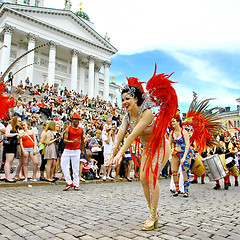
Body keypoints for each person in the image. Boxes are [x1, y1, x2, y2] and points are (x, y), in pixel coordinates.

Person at [106, 68, 178, 231]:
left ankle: (152, 215)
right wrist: (112, 153)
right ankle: (153, 211)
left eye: (127, 99)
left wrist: (120, 153)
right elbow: (120, 135)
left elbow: (132, 136)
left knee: (150, 176)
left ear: (136, 98)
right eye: (122, 99)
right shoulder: (126, 116)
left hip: (160, 146)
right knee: (143, 179)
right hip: (147, 148)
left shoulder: (147, 114)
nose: (124, 102)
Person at [169, 115, 192, 197]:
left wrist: (184, 157)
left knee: (185, 172)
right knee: (174, 171)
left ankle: (186, 190)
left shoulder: (184, 132)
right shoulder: (171, 133)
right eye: (171, 122)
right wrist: (170, 155)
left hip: (185, 153)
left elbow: (187, 145)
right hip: (176, 153)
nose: (172, 123)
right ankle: (177, 189)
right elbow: (169, 145)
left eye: (173, 121)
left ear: (178, 122)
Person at [61, 114, 84, 191]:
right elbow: (64, 140)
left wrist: (83, 150)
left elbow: (82, 140)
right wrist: (72, 141)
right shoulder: (68, 129)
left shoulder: (81, 130)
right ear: (72, 120)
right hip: (68, 149)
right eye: (75, 119)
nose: (76, 121)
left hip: (76, 150)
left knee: (75, 167)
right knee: (63, 165)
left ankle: (76, 184)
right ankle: (69, 182)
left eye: (78, 120)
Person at [4, 116, 22, 182]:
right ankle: (7, 177)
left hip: (13, 145)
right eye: (19, 121)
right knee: (8, 161)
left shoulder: (16, 128)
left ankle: (8, 176)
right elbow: (7, 134)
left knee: (10, 161)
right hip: (9, 145)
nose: (20, 122)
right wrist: (15, 134)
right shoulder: (10, 126)